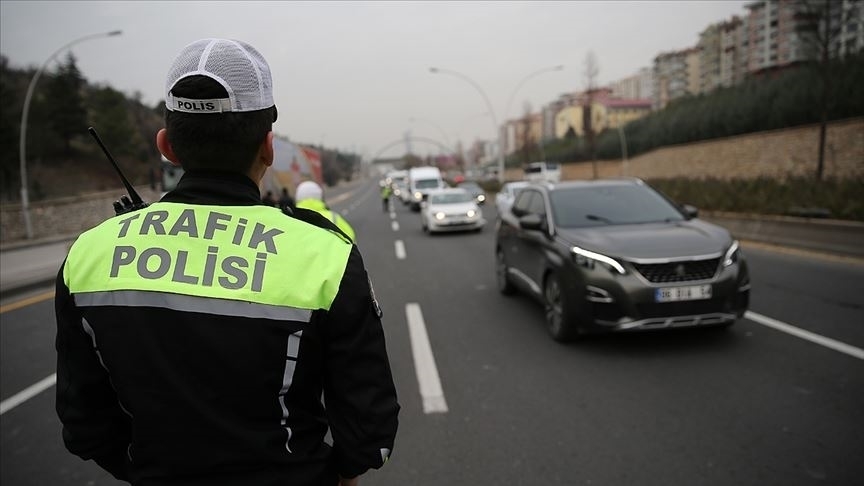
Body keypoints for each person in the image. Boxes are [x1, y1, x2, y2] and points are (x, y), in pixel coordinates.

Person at [55, 38, 398, 486]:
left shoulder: (88, 255)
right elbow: (369, 433)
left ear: (167, 146)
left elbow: (85, 426)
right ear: (268, 147)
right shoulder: (325, 255)